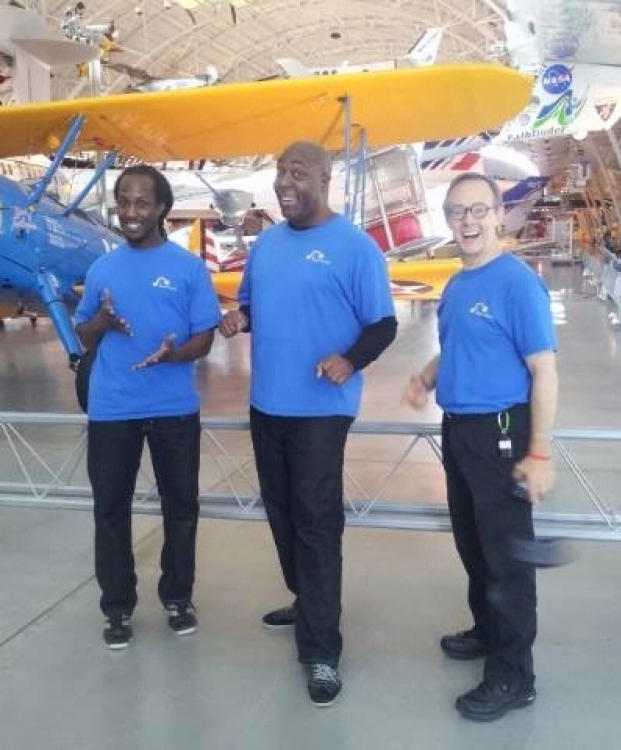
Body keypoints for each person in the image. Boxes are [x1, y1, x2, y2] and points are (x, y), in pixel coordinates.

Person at [219, 141, 397, 707]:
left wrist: (349, 360)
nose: (284, 182)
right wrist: (237, 318)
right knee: (282, 514)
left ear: (325, 178)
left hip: (322, 410)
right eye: (279, 172)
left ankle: (321, 650)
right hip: (267, 403)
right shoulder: (267, 245)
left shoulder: (355, 248)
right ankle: (306, 598)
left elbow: (382, 326)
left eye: (298, 172)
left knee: (317, 524)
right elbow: (254, 308)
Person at [404, 172, 559, 722]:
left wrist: (538, 452)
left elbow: (543, 370)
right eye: (456, 212)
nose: (467, 222)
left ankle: (515, 678)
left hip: (501, 432)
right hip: (461, 430)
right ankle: (489, 633)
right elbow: (458, 347)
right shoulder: (458, 283)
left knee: (507, 559)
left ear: (498, 215)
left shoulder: (516, 284)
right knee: (474, 546)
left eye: (477, 210)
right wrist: (426, 375)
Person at [74, 165, 221, 650]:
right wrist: (104, 322)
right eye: (124, 202)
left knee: (181, 509)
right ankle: (117, 606)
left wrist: (176, 354)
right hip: (113, 408)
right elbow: (82, 333)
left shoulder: (188, 269)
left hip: (174, 407)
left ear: (161, 209)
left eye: (141, 203)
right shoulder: (102, 270)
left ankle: (177, 597)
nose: (131, 212)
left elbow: (204, 337)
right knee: (110, 511)